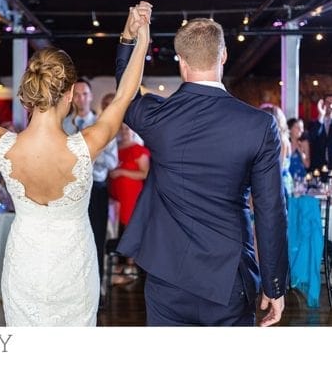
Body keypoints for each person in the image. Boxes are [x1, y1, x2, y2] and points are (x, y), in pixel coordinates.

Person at [0, 0, 150, 326]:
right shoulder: (85, 146)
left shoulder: (3, 146)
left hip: (24, 268)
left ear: (29, 94)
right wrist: (140, 38)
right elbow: (124, 96)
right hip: (74, 270)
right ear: (68, 96)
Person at [114, 17, 288, 326]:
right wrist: (274, 285)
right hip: (227, 277)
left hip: (166, 274)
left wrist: (129, 40)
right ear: (223, 56)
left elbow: (125, 94)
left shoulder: (158, 117)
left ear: (181, 60)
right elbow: (270, 210)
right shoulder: (258, 125)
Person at [63, 79, 119, 280]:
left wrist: (91, 150)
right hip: (69, 189)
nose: (81, 98)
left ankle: (97, 287)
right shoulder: (63, 126)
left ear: (91, 96)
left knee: (96, 236)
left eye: (84, 94)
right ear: (71, 98)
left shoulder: (103, 126)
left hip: (96, 189)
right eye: (76, 94)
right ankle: (72, 283)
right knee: (71, 238)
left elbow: (113, 161)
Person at [108, 124, 150, 284]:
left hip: (132, 196)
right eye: (122, 129)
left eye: (128, 129)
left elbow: (144, 173)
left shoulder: (138, 149)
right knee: (117, 231)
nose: (125, 132)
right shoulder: (116, 148)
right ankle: (120, 263)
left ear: (134, 131)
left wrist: (121, 172)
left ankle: (130, 266)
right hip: (116, 197)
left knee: (130, 230)